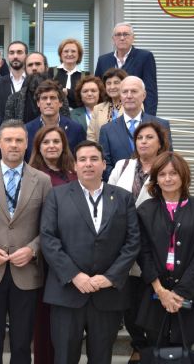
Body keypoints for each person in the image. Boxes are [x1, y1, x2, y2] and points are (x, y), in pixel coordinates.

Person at [40, 140, 140, 364]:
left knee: (102, 358)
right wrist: (75, 275)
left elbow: (132, 242)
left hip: (107, 295)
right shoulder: (57, 196)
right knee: (64, 357)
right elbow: (48, 239)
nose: (88, 164)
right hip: (67, 293)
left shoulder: (123, 198)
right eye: (82, 159)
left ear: (104, 165)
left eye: (94, 159)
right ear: (74, 166)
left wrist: (110, 277)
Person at [0, 119, 52, 364]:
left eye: (19, 140)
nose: (14, 145)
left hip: (26, 272)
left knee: (21, 342)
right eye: (8, 140)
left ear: (27, 143)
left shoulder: (42, 180)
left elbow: (49, 227)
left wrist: (33, 249)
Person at [136, 152, 194, 353]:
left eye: (173, 173)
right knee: (155, 346)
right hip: (155, 290)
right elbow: (143, 252)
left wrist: (180, 293)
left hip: (189, 291)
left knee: (186, 350)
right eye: (162, 174)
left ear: (183, 176)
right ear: (156, 178)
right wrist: (161, 291)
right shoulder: (145, 210)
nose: (168, 179)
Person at [108, 121, 171, 363]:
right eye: (140, 137)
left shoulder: (167, 167)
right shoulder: (123, 166)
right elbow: (109, 199)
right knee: (128, 302)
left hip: (154, 246)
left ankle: (152, 349)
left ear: (160, 142)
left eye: (149, 137)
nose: (143, 141)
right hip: (122, 245)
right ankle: (138, 345)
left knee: (150, 299)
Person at [27, 126, 77, 364]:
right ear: (38, 147)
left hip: (71, 253)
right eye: (46, 142)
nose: (51, 146)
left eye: (56, 141)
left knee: (66, 321)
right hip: (44, 255)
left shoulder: (74, 174)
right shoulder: (32, 174)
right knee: (44, 317)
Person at [99, 76, 172, 179]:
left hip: (154, 186)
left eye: (134, 91)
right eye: (124, 92)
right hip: (119, 189)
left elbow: (168, 159)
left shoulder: (161, 125)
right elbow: (105, 164)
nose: (129, 96)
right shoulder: (107, 130)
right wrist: (124, 182)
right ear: (120, 96)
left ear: (144, 95)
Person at [95, 23, 158, 115]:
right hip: (109, 114)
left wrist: (148, 118)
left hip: (136, 113)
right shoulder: (103, 60)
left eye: (125, 34)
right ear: (113, 39)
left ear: (133, 38)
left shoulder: (145, 57)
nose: (122, 38)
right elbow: (99, 89)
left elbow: (150, 91)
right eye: (118, 35)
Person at [24, 80, 86, 162]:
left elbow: (81, 159)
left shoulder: (76, 129)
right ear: (38, 103)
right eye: (44, 98)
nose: (48, 102)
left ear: (60, 103)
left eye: (52, 98)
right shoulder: (27, 130)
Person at [4, 52, 70, 124]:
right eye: (30, 65)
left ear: (46, 67)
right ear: (25, 70)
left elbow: (66, 124)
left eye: (38, 64)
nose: (34, 68)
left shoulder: (60, 95)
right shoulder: (14, 99)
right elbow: (9, 127)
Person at [0, 41, 28, 119]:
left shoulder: (33, 82)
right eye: (11, 53)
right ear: (8, 56)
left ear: (27, 56)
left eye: (19, 52)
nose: (15, 56)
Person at [87, 68, 127, 142]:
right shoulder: (97, 108)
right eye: (108, 83)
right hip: (102, 151)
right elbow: (91, 136)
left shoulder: (133, 105)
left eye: (116, 83)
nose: (112, 87)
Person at [49, 38, 88, 109]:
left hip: (78, 116)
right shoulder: (50, 72)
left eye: (73, 51)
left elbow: (86, 97)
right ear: (61, 54)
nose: (69, 54)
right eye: (66, 51)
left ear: (79, 55)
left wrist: (67, 92)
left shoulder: (86, 76)